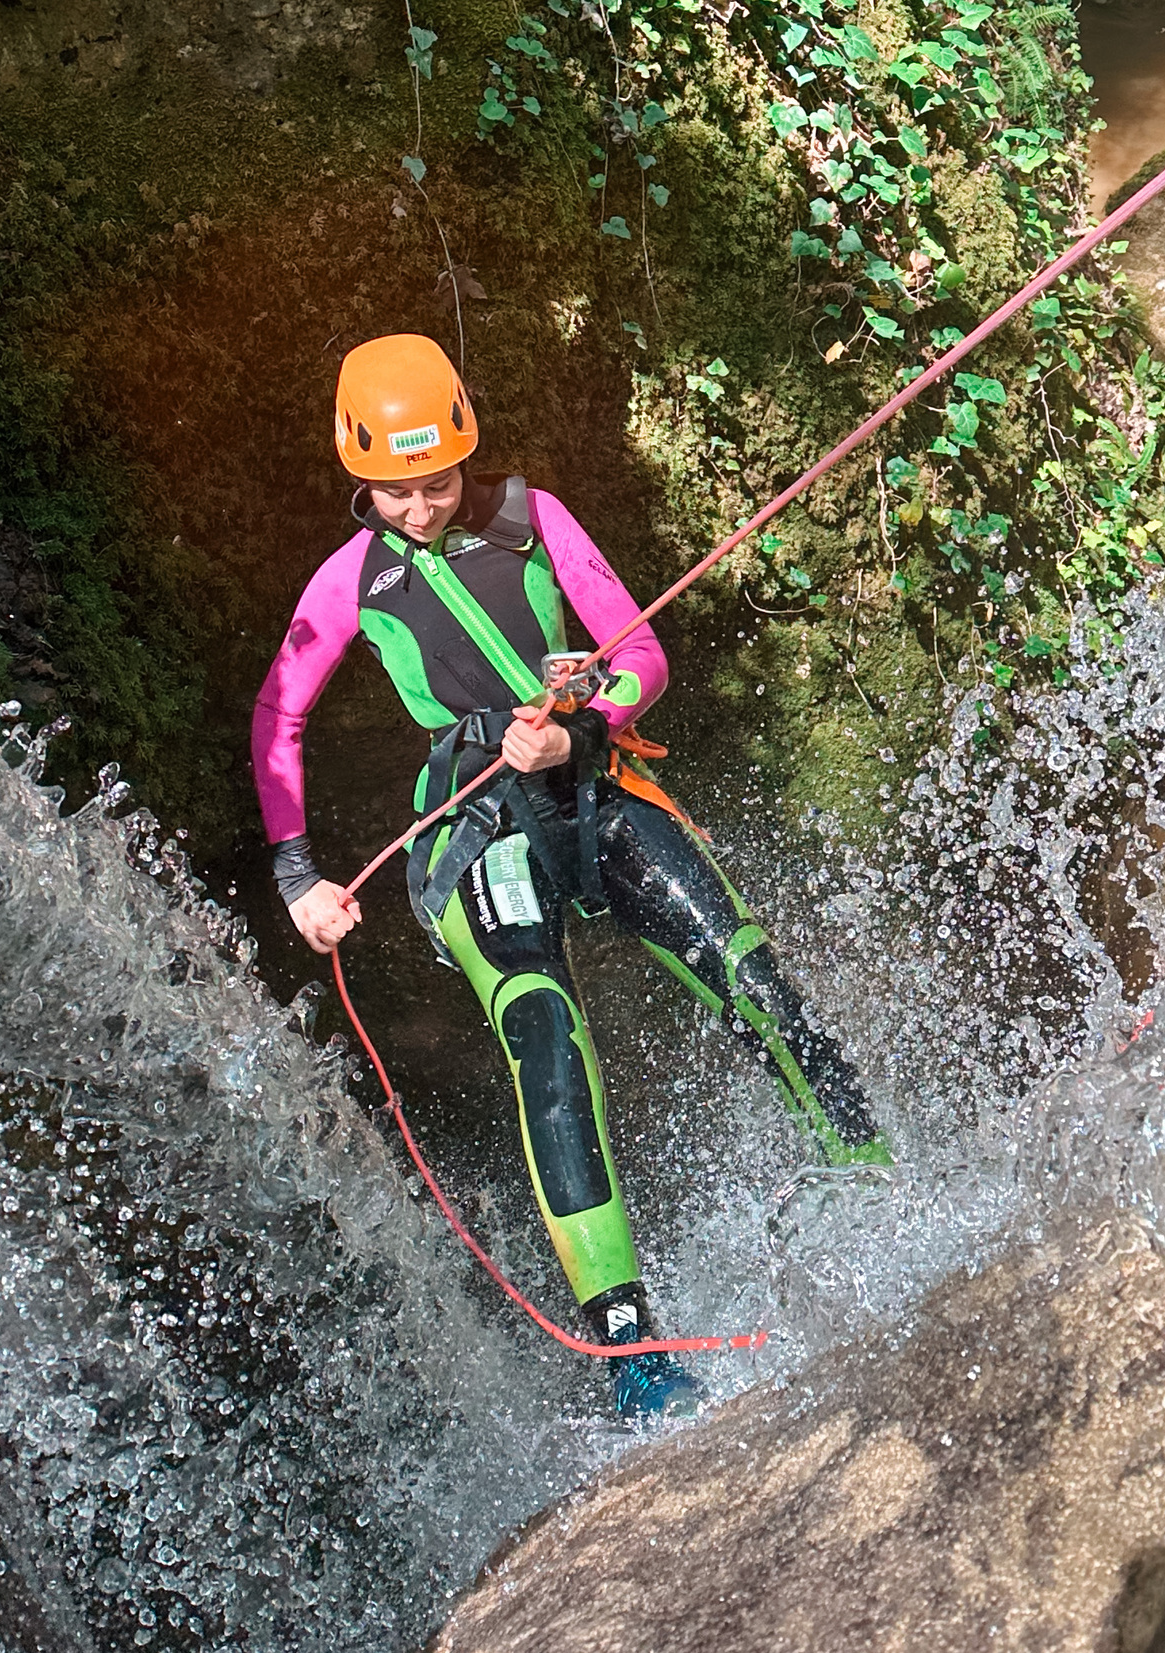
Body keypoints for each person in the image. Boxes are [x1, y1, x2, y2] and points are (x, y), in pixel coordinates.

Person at [252, 333, 889, 1421]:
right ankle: (629, 1345)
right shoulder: (344, 581)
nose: (421, 505)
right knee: (543, 1035)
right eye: (398, 489)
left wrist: (587, 719)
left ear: (468, 455)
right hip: (475, 825)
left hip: (591, 790)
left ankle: (875, 1175)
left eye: (439, 481)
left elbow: (640, 653)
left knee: (744, 970)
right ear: (359, 474)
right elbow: (280, 716)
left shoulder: (532, 519)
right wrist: (298, 875)